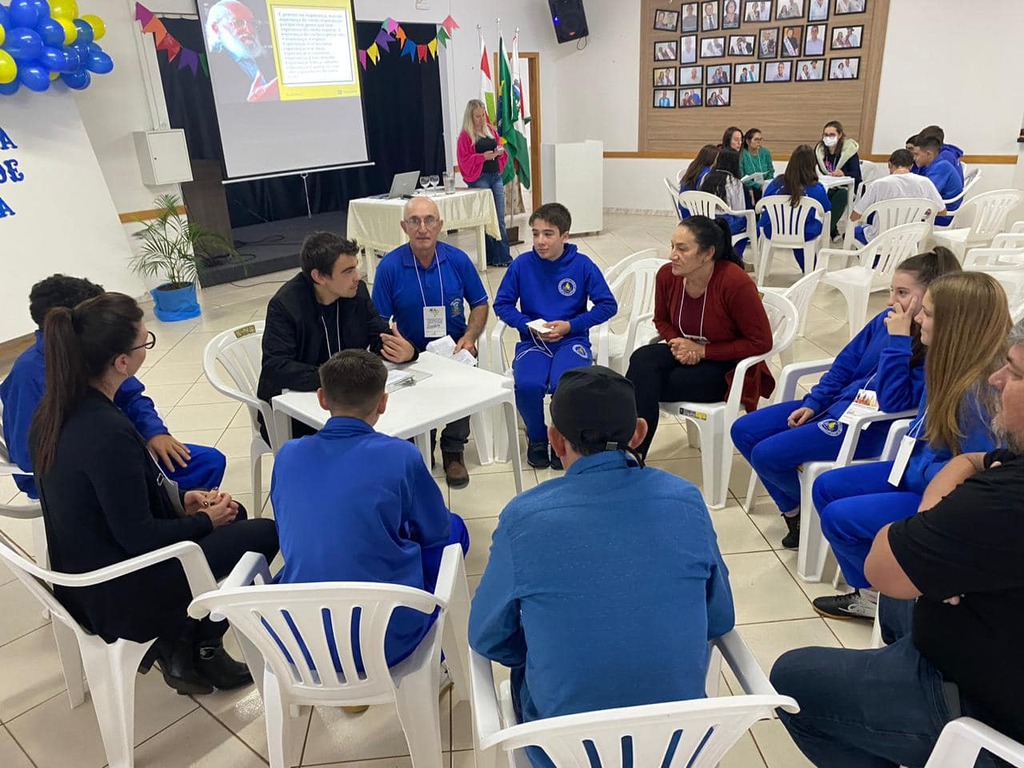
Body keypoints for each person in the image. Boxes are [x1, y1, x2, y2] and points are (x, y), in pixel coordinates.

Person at [771, 316, 1024, 768]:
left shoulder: (1004, 489)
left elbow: (884, 566)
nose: (997, 378)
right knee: (896, 601)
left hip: (977, 703)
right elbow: (969, 458)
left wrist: (934, 531)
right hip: (979, 633)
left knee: (792, 678)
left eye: (1016, 373)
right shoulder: (999, 450)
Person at [470, 366, 734, 768]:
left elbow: (487, 639)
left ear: (556, 441)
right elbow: (719, 618)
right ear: (640, 433)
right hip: (677, 746)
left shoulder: (524, 518)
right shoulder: (685, 500)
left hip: (565, 752)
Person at [29, 292, 279, 695]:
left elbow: (114, 503)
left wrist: (184, 501)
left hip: (84, 576)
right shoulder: (106, 431)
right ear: (122, 362)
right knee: (263, 532)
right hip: (119, 591)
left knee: (237, 516)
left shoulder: (55, 410)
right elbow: (139, 538)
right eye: (145, 342)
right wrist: (203, 520)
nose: (148, 347)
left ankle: (187, 643)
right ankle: (195, 642)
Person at [811, 272, 1009, 621]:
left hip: (935, 492)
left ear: (955, 324)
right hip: (915, 466)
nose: (918, 318)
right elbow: (892, 400)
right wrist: (897, 343)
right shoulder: (947, 362)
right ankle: (872, 592)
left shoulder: (978, 394)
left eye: (928, 313)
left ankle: (884, 601)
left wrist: (926, 475)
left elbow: (975, 480)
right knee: (826, 486)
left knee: (840, 518)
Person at [731, 249, 961, 549]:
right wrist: (814, 402)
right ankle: (798, 511)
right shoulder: (884, 320)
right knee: (745, 430)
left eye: (902, 292)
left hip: (870, 428)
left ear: (932, 294)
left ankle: (809, 517)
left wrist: (900, 340)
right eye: (892, 290)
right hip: (839, 406)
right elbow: (845, 365)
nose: (892, 301)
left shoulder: (935, 342)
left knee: (767, 454)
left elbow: (894, 402)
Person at [271, 349, 469, 667]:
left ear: (322, 398)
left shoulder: (288, 455)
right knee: (455, 529)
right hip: (386, 640)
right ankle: (437, 644)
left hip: (301, 639)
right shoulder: (401, 455)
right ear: (383, 402)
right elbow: (436, 532)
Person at [1, 275, 226, 500]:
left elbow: (131, 395)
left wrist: (154, 432)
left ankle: (180, 513)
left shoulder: (95, 353)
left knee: (208, 463)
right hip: (76, 476)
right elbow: (29, 456)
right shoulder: (29, 375)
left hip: (116, 452)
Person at [626, 216, 774, 459]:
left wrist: (703, 351)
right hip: (685, 352)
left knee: (642, 385)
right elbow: (661, 320)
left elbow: (760, 342)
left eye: (682, 249)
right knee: (642, 359)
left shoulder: (734, 282)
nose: (673, 254)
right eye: (672, 246)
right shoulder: (667, 276)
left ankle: (633, 454)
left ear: (707, 254)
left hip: (728, 368)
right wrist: (678, 343)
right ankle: (634, 452)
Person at [371, 196, 490, 487]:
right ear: (404, 226)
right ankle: (418, 449)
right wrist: (401, 350)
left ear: (440, 225)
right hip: (410, 354)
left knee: (465, 379)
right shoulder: (389, 267)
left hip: (453, 347)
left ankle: (453, 449)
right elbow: (375, 322)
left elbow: (480, 304)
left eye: (429, 220)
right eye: (414, 221)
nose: (422, 228)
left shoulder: (457, 260)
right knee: (407, 399)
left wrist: (469, 337)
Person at [493, 203, 617, 470]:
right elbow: (501, 304)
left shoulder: (583, 265)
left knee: (566, 384)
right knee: (527, 383)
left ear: (565, 236)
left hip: (572, 340)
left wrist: (571, 326)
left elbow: (608, 305)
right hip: (533, 342)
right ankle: (537, 438)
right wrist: (528, 325)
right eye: (535, 233)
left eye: (548, 234)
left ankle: (563, 440)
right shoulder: (521, 265)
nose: (540, 241)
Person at [258, 232, 416, 439]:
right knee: (350, 440)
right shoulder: (285, 305)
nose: (357, 277)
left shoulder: (356, 292)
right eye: (348, 271)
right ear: (319, 277)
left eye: (356, 267)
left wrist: (407, 351)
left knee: (402, 425)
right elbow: (277, 367)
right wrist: (338, 380)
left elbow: (378, 336)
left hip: (347, 398)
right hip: (294, 410)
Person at [456, 99, 512, 267]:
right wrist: (483, 157)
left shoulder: (491, 131)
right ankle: (489, 256)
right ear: (470, 117)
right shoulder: (465, 136)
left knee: (499, 217)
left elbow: (501, 149)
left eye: (483, 115)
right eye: (477, 116)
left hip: (495, 176)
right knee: (487, 218)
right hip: (480, 178)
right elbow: (463, 160)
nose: (481, 119)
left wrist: (500, 153)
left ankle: (503, 256)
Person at [850, 149, 946, 245]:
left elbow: (855, 215)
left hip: (879, 239)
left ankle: (873, 258)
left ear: (889, 164)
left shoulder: (878, 184)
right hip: (910, 239)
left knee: (855, 231)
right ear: (911, 166)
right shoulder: (925, 182)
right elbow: (942, 211)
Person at [760, 144, 832, 271]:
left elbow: (764, 203)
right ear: (812, 165)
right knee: (808, 225)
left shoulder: (777, 183)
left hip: (773, 230)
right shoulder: (816, 188)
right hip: (804, 232)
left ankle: (764, 272)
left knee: (794, 225)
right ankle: (811, 270)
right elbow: (826, 208)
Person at [204, 0, 278, 102]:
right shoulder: (212, 65)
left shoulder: (266, 59)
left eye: (252, 23)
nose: (249, 30)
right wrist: (252, 103)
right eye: (238, 23)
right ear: (216, 28)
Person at [815, 120, 862, 241]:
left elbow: (857, 175)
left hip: (848, 187)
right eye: (825, 135)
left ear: (840, 135)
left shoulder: (849, 151)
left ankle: (824, 231)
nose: (828, 138)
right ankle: (832, 230)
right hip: (830, 185)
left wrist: (844, 173)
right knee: (822, 194)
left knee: (841, 195)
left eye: (831, 135)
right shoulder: (820, 151)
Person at [699, 149, 750, 260]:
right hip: (726, 224)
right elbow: (739, 210)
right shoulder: (735, 182)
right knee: (748, 222)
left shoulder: (706, 177)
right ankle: (735, 258)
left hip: (705, 220)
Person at [911, 134, 964, 226]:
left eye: (916, 154)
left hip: (942, 216)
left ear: (928, 154)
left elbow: (927, 196)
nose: (914, 158)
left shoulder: (940, 168)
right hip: (936, 210)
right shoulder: (934, 165)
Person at [740, 128, 774, 208]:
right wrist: (758, 186)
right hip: (749, 187)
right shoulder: (742, 154)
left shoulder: (765, 152)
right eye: (756, 139)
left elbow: (771, 170)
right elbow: (742, 176)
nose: (759, 142)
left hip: (764, 185)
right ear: (748, 141)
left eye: (761, 139)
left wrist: (766, 184)